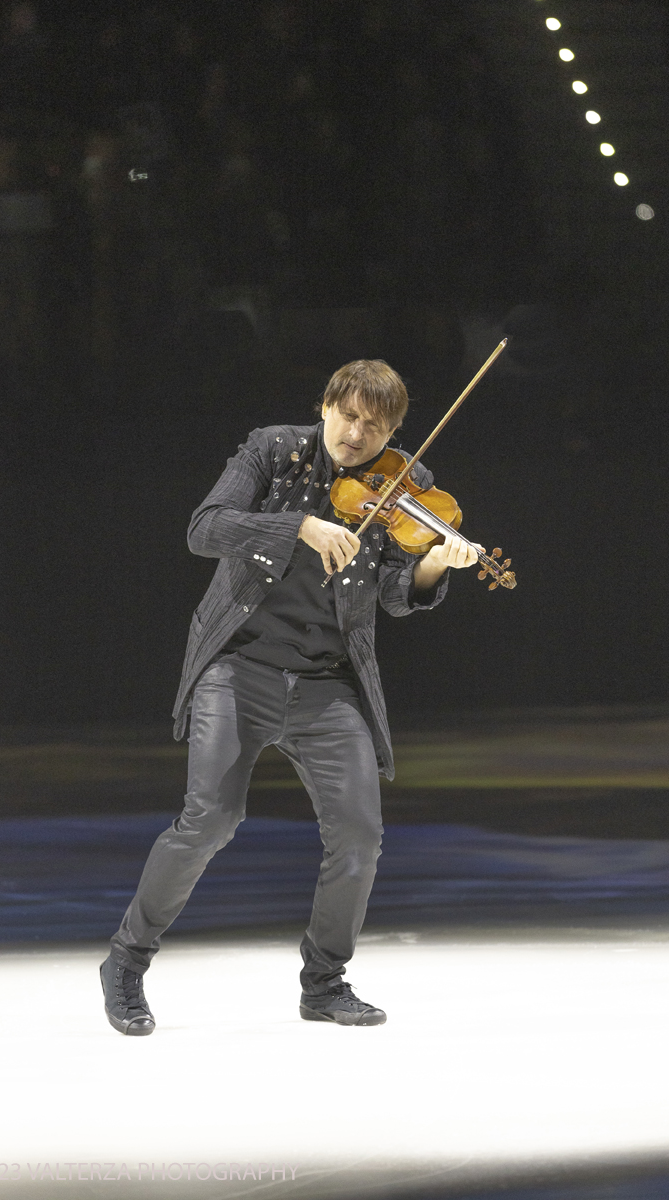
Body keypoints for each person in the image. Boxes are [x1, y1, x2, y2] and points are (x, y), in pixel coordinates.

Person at [100, 359, 479, 1034]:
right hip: (239, 666)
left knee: (361, 835)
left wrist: (430, 565)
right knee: (210, 819)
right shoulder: (275, 451)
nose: (357, 435)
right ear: (326, 405)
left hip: (328, 679)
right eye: (348, 415)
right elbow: (205, 527)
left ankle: (325, 983)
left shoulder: (405, 484)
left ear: (394, 431)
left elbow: (395, 593)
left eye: (375, 425)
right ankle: (126, 962)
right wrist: (299, 526)